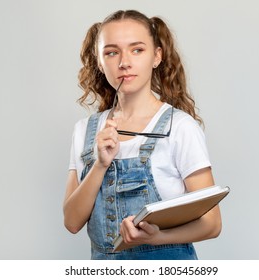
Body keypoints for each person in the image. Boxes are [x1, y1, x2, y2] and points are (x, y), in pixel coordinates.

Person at [63, 9, 222, 260]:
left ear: (156, 56)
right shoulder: (85, 131)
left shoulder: (180, 128)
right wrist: (100, 165)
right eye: (112, 52)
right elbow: (72, 222)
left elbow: (212, 224)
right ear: (99, 61)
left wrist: (156, 237)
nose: (124, 62)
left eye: (137, 50)